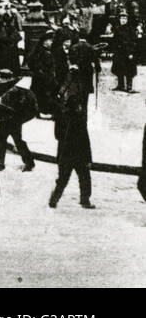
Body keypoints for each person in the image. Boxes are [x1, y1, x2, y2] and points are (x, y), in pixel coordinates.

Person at [50, 52, 95, 210]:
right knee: (83, 177)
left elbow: (58, 135)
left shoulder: (63, 116)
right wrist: (88, 157)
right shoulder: (79, 120)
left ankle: (54, 199)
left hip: (65, 153)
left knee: (63, 178)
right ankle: (84, 201)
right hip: (78, 153)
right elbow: (85, 139)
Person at [0, 78, 38, 172]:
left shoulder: (9, 91)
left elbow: (4, 107)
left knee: (1, 140)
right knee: (18, 141)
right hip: (16, 120)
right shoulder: (22, 90)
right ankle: (29, 163)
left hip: (7, 120)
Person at [110, 11, 138, 93]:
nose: (123, 20)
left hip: (127, 53)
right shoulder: (117, 29)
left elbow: (133, 42)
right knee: (119, 69)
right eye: (122, 18)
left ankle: (129, 87)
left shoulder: (130, 29)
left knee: (129, 70)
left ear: (127, 19)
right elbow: (115, 41)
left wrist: (131, 53)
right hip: (119, 53)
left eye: (125, 18)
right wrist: (113, 51)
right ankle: (120, 85)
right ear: (119, 19)